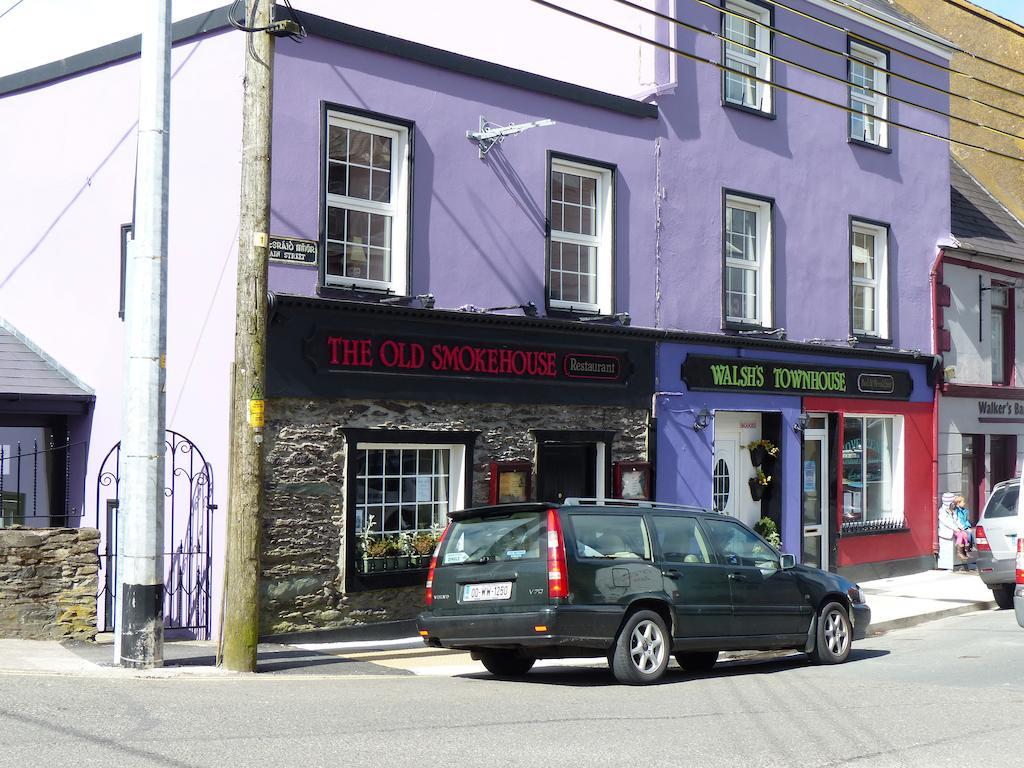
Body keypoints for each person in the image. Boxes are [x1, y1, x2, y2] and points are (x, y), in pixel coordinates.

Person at [937, 492, 957, 570]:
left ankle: (951, 565)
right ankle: (945, 565)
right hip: (945, 534)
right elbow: (947, 522)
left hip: (952, 534)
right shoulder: (942, 511)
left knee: (951, 552)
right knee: (946, 551)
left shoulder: (953, 510)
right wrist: (957, 528)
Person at [952, 495, 973, 561]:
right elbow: (957, 520)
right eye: (962, 502)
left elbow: (965, 520)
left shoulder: (964, 511)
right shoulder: (957, 511)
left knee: (969, 535)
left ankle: (967, 550)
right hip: (959, 528)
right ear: (958, 503)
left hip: (963, 527)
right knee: (965, 535)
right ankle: (961, 552)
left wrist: (967, 526)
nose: (964, 503)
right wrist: (962, 527)